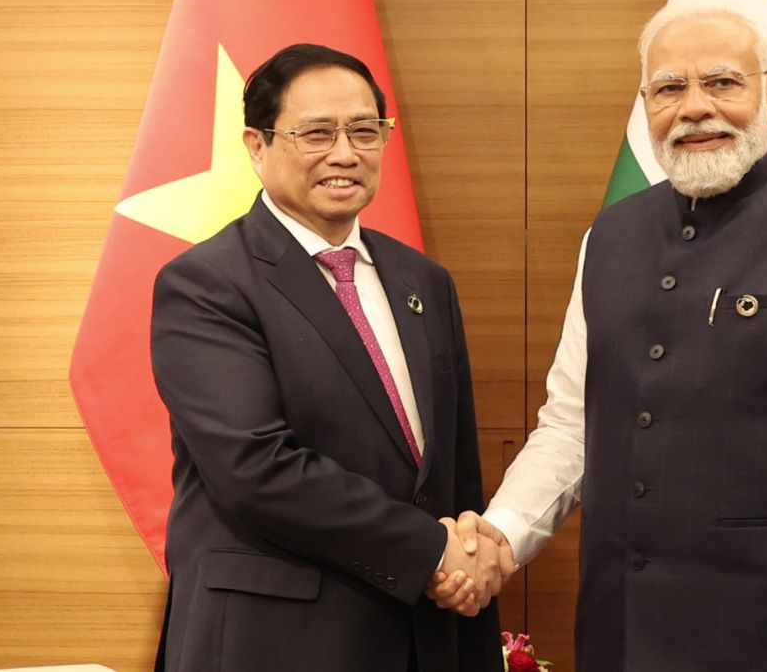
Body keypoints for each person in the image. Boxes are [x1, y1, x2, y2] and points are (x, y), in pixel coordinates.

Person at [438, 3, 767, 671]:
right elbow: (572, 425)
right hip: (622, 636)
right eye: (669, 88)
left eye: (721, 83)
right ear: (646, 102)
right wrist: (502, 535)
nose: (694, 108)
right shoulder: (609, 238)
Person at [150, 43, 505, 672]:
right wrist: (430, 551)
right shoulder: (206, 283)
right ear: (256, 145)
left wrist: (468, 565)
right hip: (277, 640)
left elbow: (452, 469)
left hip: (424, 632)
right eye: (316, 132)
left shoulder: (424, 280)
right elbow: (256, 468)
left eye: (365, 131)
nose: (345, 153)